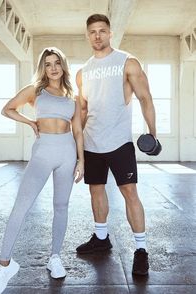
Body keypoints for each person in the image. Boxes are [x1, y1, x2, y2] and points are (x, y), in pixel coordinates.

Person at [0, 47, 84, 294]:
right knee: (21, 206)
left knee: (61, 206)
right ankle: (3, 266)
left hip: (67, 152)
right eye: (48, 63)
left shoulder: (72, 96)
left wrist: (81, 160)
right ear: (43, 67)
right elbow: (7, 109)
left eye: (57, 63)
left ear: (63, 66)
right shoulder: (35, 90)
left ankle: (55, 257)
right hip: (43, 152)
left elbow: (78, 131)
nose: (52, 68)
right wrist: (30, 121)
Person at [75, 14, 158, 276]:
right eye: (92, 32)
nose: (97, 35)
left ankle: (141, 250)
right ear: (87, 36)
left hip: (120, 142)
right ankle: (101, 238)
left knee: (130, 193)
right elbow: (83, 110)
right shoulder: (82, 72)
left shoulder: (127, 62)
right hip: (91, 141)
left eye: (102, 30)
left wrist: (152, 135)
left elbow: (145, 98)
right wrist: (75, 143)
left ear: (110, 33)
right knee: (96, 191)